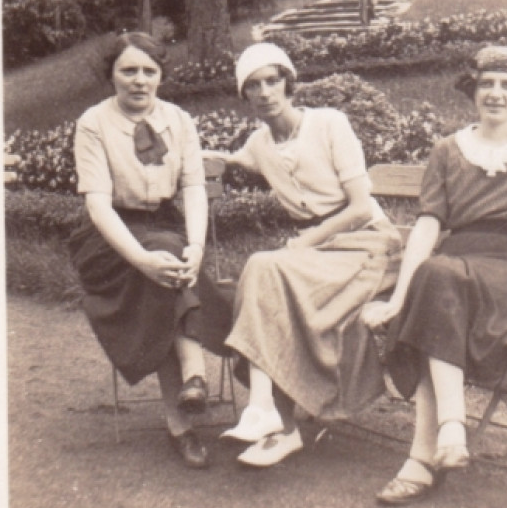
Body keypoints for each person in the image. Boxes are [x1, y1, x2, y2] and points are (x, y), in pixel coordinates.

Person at [361, 45, 507, 505]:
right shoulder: (447, 150)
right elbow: (427, 224)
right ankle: (447, 437)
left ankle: (431, 448)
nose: (495, 94)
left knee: (437, 285)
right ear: (473, 91)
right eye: (487, 84)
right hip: (455, 263)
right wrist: (398, 298)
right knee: (434, 281)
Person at [214, 43, 402, 467]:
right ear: (244, 96)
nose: (265, 92)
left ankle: (270, 416)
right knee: (265, 272)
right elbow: (229, 159)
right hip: (318, 256)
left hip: (368, 245)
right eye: (254, 86)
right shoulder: (259, 144)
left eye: (273, 80)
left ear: (289, 83)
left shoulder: (329, 124)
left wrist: (305, 241)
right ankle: (273, 420)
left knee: (267, 269)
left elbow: (358, 206)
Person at [69, 32, 232, 469]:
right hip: (108, 240)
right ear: (112, 76)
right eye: (128, 70)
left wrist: (197, 247)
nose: (139, 81)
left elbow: (194, 187)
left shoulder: (179, 120)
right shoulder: (93, 123)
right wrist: (140, 259)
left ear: (161, 75)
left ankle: (183, 421)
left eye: (149, 71)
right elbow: (98, 204)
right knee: (159, 263)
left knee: (169, 259)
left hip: (166, 227)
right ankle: (194, 375)